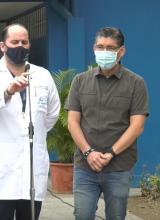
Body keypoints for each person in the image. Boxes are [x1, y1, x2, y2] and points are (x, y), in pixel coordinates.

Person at [0, 23, 60, 220]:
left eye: (24, 42)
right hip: (0, 167)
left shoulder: (43, 75)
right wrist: (8, 91)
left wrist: (32, 132)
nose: (20, 46)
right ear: (3, 46)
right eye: (14, 42)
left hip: (31, 164)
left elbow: (52, 113)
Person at [65, 27, 149, 220]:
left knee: (116, 216)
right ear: (94, 48)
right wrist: (88, 153)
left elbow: (137, 126)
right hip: (85, 166)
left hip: (119, 166)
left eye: (110, 48)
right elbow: (72, 122)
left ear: (121, 51)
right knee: (82, 215)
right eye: (100, 46)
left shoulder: (136, 83)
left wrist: (111, 153)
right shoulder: (80, 81)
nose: (104, 52)